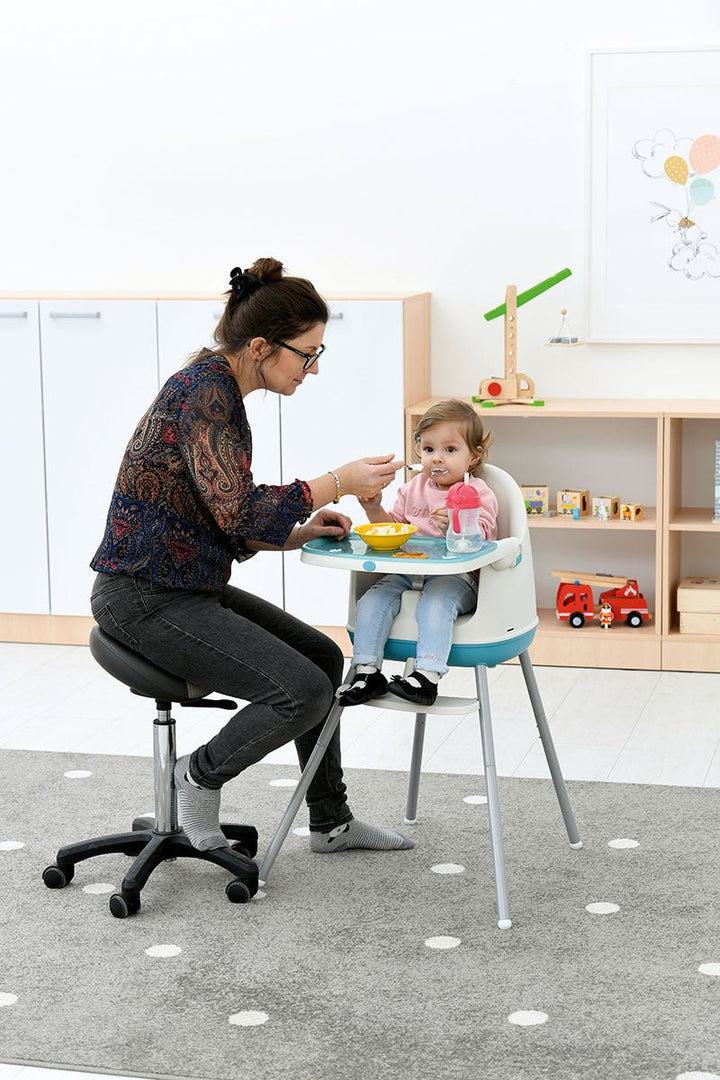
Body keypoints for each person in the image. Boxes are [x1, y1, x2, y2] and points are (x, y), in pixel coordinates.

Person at [90, 258, 412, 856]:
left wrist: (302, 532)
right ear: (262, 347)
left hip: (184, 586)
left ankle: (331, 821)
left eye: (319, 354)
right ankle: (197, 775)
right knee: (301, 691)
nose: (312, 368)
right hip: (142, 595)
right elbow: (237, 513)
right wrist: (335, 480)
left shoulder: (222, 395)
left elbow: (226, 521)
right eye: (306, 354)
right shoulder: (203, 395)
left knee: (321, 657)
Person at [338, 399, 498, 709]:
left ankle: (426, 677)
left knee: (435, 603)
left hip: (456, 577)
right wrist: (373, 508)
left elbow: (485, 535)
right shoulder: (411, 489)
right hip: (407, 568)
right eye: (428, 450)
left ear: (473, 456)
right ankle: (368, 672)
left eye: (450, 450)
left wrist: (457, 522)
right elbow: (393, 532)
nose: (437, 458)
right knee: (371, 600)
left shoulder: (477, 492)